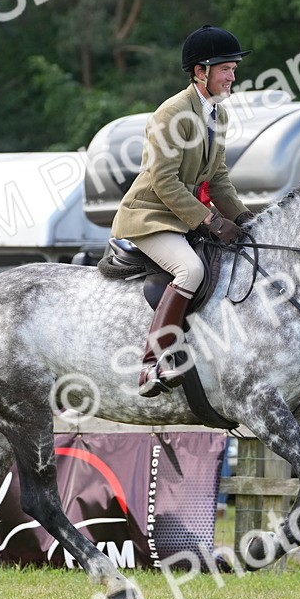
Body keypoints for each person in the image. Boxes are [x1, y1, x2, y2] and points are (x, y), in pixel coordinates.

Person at [111, 24, 255, 397]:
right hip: (150, 215)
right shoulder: (172, 113)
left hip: (183, 219)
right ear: (200, 71)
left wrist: (243, 218)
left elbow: (218, 177)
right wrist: (209, 220)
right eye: (226, 68)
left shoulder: (217, 116)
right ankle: (151, 365)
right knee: (189, 269)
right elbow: (164, 181)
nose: (232, 75)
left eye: (233, 68)